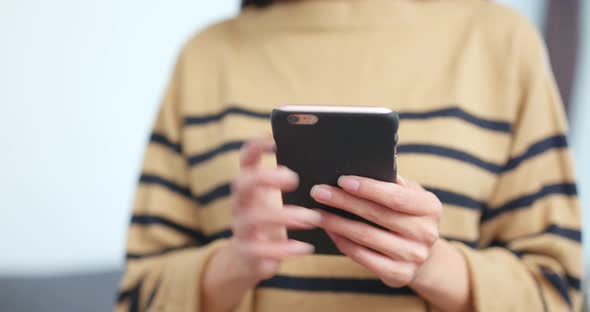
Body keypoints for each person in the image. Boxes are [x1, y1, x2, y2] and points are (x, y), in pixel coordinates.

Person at [115, 0, 582, 311]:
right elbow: (137, 295)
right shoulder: (205, 56)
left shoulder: (501, 43)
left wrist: (432, 266)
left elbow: (559, 292)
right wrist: (235, 263)